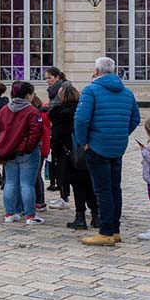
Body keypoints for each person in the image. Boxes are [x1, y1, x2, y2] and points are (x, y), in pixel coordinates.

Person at [75, 56, 141, 246]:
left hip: (97, 146)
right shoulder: (127, 92)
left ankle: (105, 232)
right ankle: (115, 229)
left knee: (102, 191)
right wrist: (120, 134)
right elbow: (135, 119)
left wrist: (83, 141)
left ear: (96, 71)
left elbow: (81, 120)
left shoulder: (91, 90)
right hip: (117, 147)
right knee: (114, 189)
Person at [0, 80, 45, 225]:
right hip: (26, 152)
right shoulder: (32, 111)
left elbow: (0, 129)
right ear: (28, 95)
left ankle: (10, 213)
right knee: (27, 184)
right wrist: (27, 147)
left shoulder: (4, 109)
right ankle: (30, 216)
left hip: (9, 151)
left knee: (10, 182)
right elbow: (37, 132)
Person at [50, 83, 98, 230]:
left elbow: (56, 138)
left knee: (78, 186)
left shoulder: (58, 114)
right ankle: (96, 215)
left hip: (68, 154)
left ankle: (80, 217)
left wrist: (55, 156)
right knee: (90, 184)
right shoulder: (85, 110)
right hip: (87, 151)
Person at [44, 67, 72, 193]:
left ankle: (64, 193)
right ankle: (61, 190)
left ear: (57, 77)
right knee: (58, 160)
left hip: (62, 127)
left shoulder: (63, 88)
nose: (47, 81)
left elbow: (61, 107)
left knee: (63, 161)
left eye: (49, 78)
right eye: (46, 78)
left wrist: (51, 112)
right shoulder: (54, 89)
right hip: (56, 124)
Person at [31, 94, 53, 213]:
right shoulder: (44, 114)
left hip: (40, 149)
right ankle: (39, 201)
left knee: (36, 176)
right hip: (44, 149)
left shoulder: (39, 116)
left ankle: (39, 201)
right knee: (37, 175)